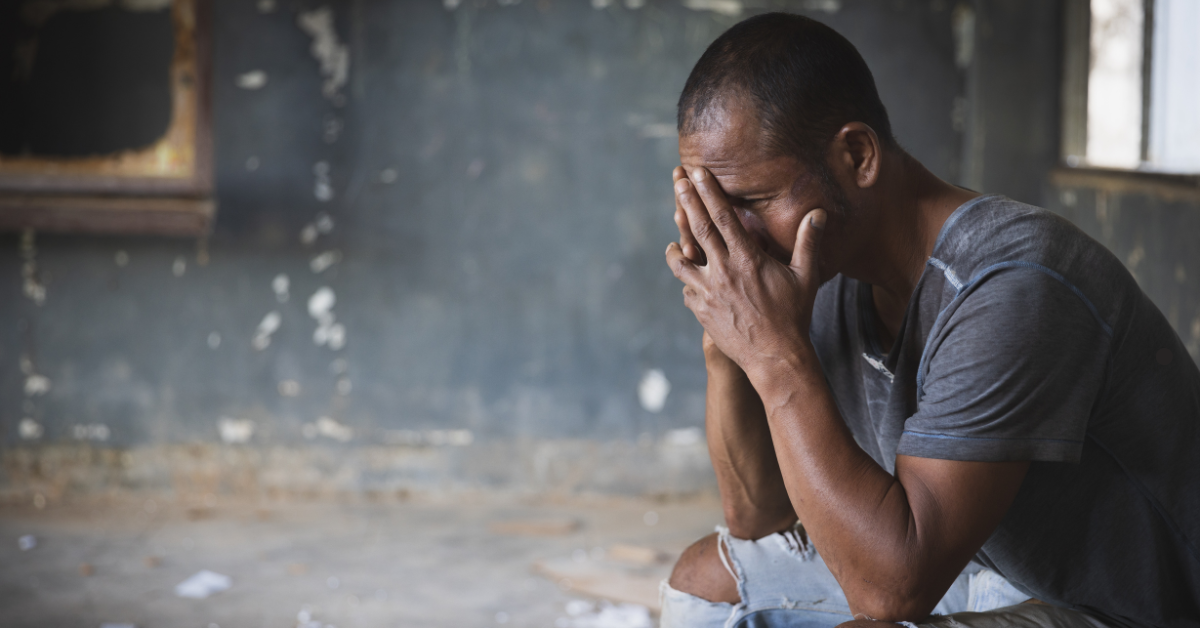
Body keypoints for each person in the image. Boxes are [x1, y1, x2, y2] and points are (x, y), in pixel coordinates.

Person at [659, 12, 1199, 628]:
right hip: (980, 572)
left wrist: (775, 356)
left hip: (1122, 611)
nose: (736, 240)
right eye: (715, 210)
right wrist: (725, 341)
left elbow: (892, 594)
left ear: (857, 156)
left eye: (751, 202)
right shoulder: (822, 271)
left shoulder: (1013, 280)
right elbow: (759, 519)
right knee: (705, 583)